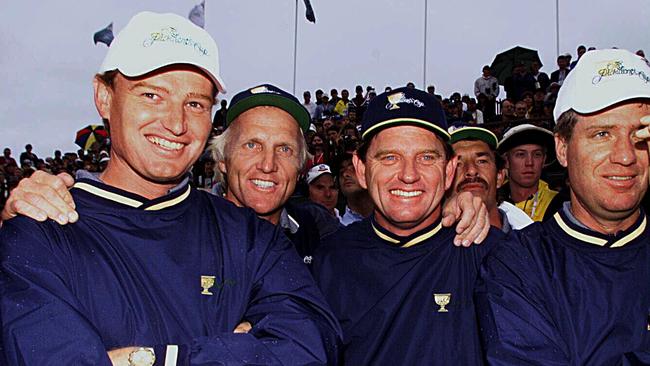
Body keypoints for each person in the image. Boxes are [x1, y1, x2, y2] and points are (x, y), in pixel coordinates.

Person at [0, 12, 341, 365]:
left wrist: (153, 358)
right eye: (151, 95)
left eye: (194, 104)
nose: (176, 123)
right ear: (104, 97)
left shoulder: (251, 236)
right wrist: (242, 352)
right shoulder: (37, 232)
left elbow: (312, 344)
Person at [476, 48, 650, 364]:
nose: (625, 155)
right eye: (602, 134)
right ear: (563, 148)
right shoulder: (517, 264)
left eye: (640, 135)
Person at [312, 87, 499, 365]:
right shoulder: (326, 262)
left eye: (426, 157)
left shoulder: (491, 256)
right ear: (362, 169)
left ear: (449, 171)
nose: (409, 175)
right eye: (389, 157)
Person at [449, 126, 532, 232]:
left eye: (481, 161)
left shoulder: (529, 240)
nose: (471, 170)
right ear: (445, 179)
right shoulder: (430, 244)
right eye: (458, 164)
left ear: (500, 176)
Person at [497, 123, 562, 221]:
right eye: (520, 154)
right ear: (506, 161)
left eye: (537, 154)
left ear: (544, 160)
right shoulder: (493, 203)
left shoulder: (560, 206)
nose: (529, 163)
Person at [337, 153, 373, 225]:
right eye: (341, 171)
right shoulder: (336, 225)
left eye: (353, 168)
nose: (345, 174)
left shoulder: (391, 216)